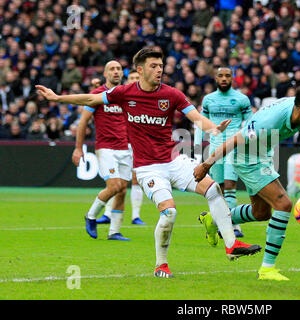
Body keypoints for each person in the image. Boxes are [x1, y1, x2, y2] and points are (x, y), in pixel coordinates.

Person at [36, 47, 261, 278]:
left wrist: (212, 128)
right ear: (140, 69)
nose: (159, 70)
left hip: (173, 159)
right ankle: (160, 266)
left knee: (213, 189)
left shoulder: (172, 94)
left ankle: (231, 245)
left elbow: (196, 117)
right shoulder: (124, 92)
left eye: (161, 66)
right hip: (147, 167)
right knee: (170, 213)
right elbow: (92, 98)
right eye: (153, 66)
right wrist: (57, 97)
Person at [194, 83, 300, 281]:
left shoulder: (299, 106)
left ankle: (214, 221)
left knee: (261, 213)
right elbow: (236, 140)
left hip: (263, 153)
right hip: (248, 159)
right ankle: (267, 269)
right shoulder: (269, 122)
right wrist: (206, 165)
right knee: (283, 204)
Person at [70, 60, 131, 241]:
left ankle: (114, 232)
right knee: (114, 186)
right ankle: (91, 215)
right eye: (111, 69)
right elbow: (83, 122)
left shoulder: (126, 96)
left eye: (118, 69)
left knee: (122, 191)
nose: (115, 72)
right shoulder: (97, 94)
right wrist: (78, 148)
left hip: (124, 148)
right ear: (105, 74)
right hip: (105, 148)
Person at [194, 66, 252, 238]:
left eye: (227, 75)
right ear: (216, 78)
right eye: (221, 76)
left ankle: (234, 225)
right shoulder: (208, 100)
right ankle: (223, 222)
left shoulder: (241, 99)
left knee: (230, 185)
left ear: (232, 78)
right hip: (214, 149)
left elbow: (250, 123)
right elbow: (201, 123)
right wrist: (198, 151)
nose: (224, 78)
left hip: (234, 148)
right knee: (218, 187)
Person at [96, 69, 147, 226]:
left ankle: (135, 216)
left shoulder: (144, 98)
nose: (133, 80)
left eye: (136, 78)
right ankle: (107, 214)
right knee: (115, 182)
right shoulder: (123, 96)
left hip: (137, 143)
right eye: (130, 78)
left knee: (135, 180)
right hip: (121, 143)